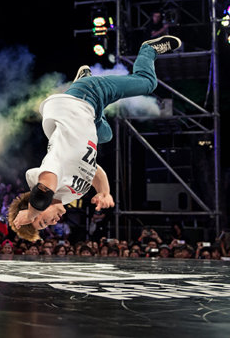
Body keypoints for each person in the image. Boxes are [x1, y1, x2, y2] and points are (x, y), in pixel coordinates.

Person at [11, 35, 182, 241]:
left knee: (147, 83)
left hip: (87, 96)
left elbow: (44, 188)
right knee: (106, 135)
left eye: (44, 221)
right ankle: (82, 80)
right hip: (86, 114)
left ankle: (148, 49)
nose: (53, 223)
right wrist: (105, 192)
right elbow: (94, 171)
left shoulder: (50, 172)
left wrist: (31, 214)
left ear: (36, 204)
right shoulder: (70, 194)